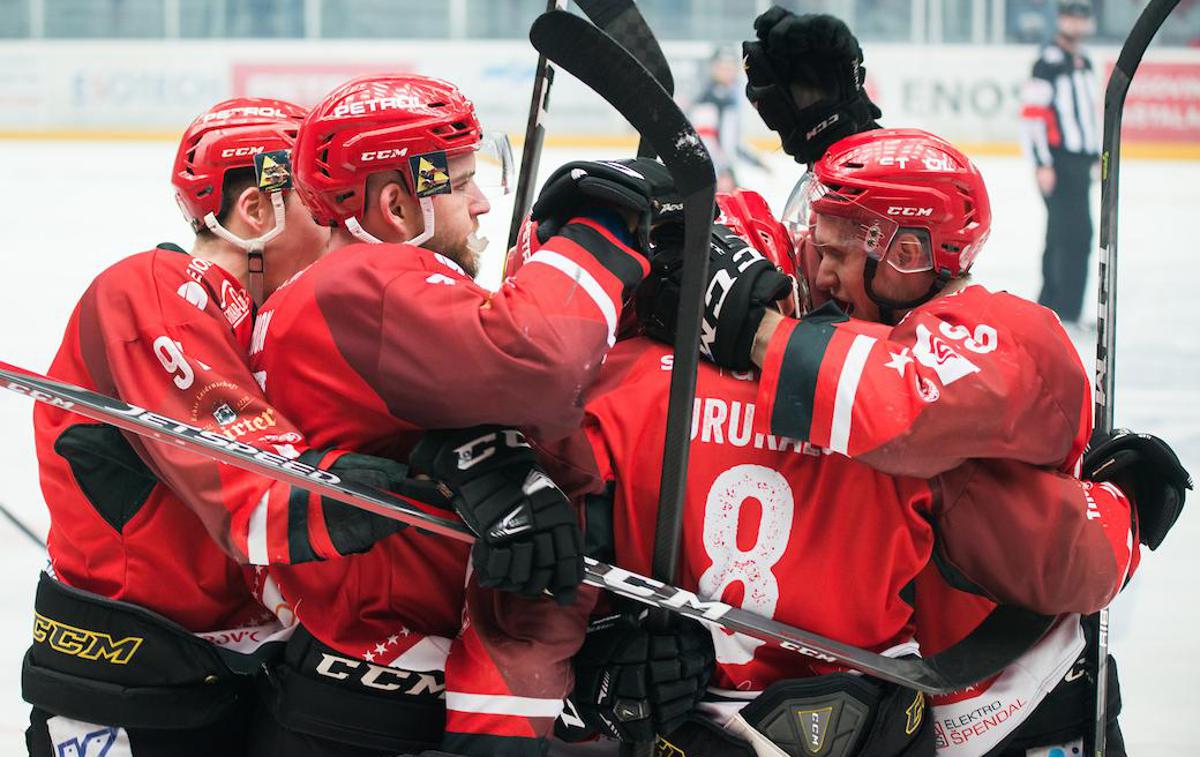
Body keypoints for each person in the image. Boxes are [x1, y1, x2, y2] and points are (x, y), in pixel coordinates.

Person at [531, 190, 1138, 757]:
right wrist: (1123, 502)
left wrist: (603, 648)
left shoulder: (612, 386)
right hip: (875, 719)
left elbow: (540, 564)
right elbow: (1065, 559)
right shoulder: (881, 410)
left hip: (685, 721)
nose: (818, 277)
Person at [644, 124, 1189, 754]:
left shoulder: (1009, 331)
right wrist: (656, 212)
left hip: (1030, 714)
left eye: (838, 251)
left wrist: (750, 325)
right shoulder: (882, 312)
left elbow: (893, 403)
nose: (817, 272)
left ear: (907, 257)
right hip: (916, 712)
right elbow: (776, 248)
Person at [246, 73, 676, 756]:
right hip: (374, 714)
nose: (480, 203)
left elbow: (527, 417)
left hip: (350, 696)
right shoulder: (364, 282)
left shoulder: (319, 297)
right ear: (395, 205)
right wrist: (598, 233)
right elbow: (539, 361)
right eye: (460, 181)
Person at [25, 98, 442, 756]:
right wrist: (329, 491)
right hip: (125, 692)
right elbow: (252, 485)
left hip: (224, 683)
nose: (339, 227)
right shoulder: (154, 287)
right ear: (257, 212)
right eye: (318, 207)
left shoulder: (260, 326)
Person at [1020, 0, 1101, 328]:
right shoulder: (1048, 63)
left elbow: (1088, 115)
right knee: (1074, 234)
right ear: (1060, 20)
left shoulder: (1085, 62)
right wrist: (1042, 162)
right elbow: (1032, 118)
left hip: (1080, 161)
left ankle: (1053, 306)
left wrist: (1094, 155)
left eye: (1081, 17)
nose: (1076, 23)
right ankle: (1062, 309)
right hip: (1059, 161)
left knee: (1064, 234)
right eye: (1070, 16)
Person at [689, 46, 769, 192]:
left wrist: (756, 162)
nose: (727, 71)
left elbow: (732, 143)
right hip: (716, 178)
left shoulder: (729, 98)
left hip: (724, 174)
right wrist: (722, 172)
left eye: (731, 66)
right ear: (713, 68)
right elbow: (705, 141)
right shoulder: (707, 101)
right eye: (722, 66)